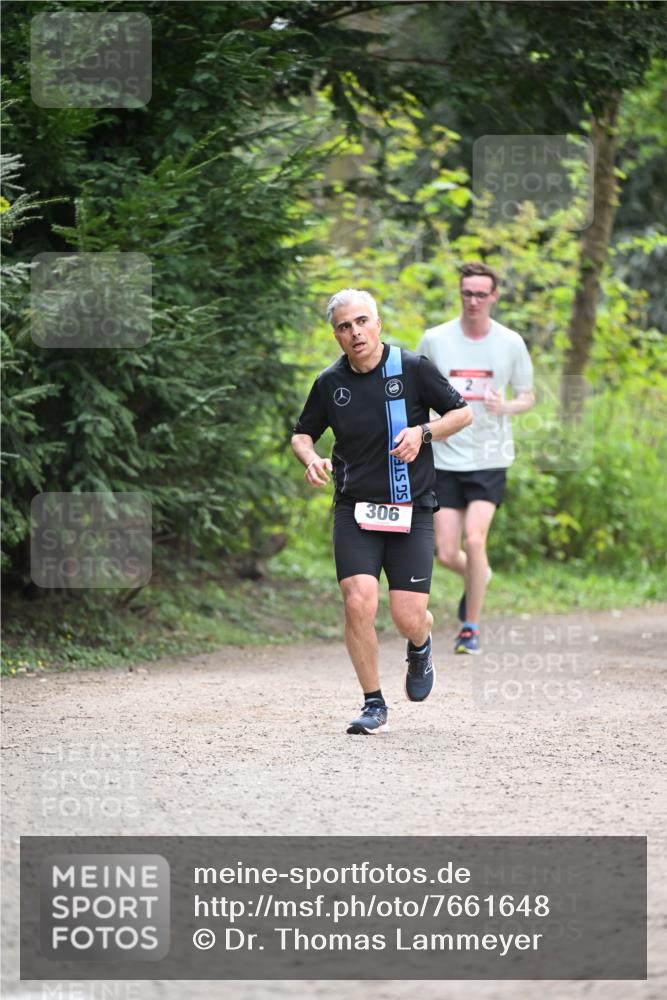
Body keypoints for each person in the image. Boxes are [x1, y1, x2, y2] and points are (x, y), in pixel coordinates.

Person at [291, 289, 472, 735]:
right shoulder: (329, 383)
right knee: (358, 601)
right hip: (355, 508)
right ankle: (374, 703)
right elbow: (301, 434)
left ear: (377, 323)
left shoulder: (411, 369)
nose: (355, 333)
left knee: (407, 616)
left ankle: (421, 642)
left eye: (361, 322)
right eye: (344, 326)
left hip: (413, 508)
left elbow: (462, 414)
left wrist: (423, 433)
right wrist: (311, 458)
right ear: (335, 334)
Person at [418, 261, 534, 655]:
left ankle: (471, 628)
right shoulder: (435, 339)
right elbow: (417, 387)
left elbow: (528, 396)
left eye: (481, 294)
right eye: (467, 293)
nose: (473, 300)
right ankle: (479, 575)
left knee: (475, 537)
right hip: (446, 457)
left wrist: (506, 406)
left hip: (489, 456)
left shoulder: (510, 342)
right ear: (460, 293)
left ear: (494, 296)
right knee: (449, 552)